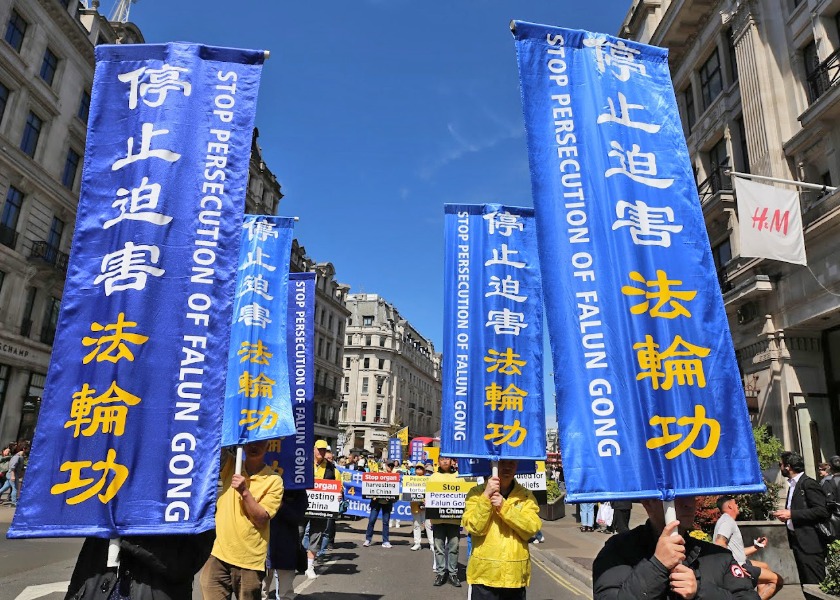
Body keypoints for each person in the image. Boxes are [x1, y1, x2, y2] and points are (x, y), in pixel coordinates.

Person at [593, 496, 760, 599]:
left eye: (691, 495)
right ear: (648, 503)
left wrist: (700, 591)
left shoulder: (718, 556)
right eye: (676, 497)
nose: (689, 504)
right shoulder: (619, 549)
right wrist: (657, 566)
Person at [200, 440, 284, 600]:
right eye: (250, 441)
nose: (254, 446)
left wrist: (244, 492)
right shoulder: (231, 465)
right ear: (243, 445)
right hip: (218, 555)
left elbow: (261, 519)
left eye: (260, 442)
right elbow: (214, 444)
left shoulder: (274, 480)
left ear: (267, 446)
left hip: (249, 562)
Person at [462, 459, 541, 599]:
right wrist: (486, 497)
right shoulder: (476, 493)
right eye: (503, 463)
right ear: (492, 464)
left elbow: (531, 528)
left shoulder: (526, 496)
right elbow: (475, 527)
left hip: (514, 577)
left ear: (517, 466)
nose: (507, 467)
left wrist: (504, 507)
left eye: (512, 463)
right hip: (485, 575)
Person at [65, 532, 215, 599]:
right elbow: (83, 570)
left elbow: (183, 564)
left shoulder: (192, 492)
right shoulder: (110, 488)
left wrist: (130, 532)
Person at [772, 450, 829, 585]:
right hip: (798, 542)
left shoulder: (808, 483)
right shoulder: (793, 484)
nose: (780, 468)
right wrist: (787, 516)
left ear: (788, 466)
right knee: (805, 583)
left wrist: (791, 514)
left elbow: (821, 511)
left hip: (811, 543)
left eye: (780, 464)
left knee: (815, 584)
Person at [714, 495, 783, 600]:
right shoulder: (727, 521)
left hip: (739, 562)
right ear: (730, 506)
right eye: (735, 503)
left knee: (764, 566)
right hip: (736, 566)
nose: (737, 506)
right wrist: (734, 566)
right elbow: (719, 543)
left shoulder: (726, 520)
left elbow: (738, 552)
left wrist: (756, 547)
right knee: (777, 580)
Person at [302, 440, 341, 579]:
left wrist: (339, 495)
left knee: (316, 535)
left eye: (324, 450)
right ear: (313, 449)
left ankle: (309, 566)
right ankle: (298, 561)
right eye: (319, 449)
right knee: (298, 533)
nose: (322, 452)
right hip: (302, 507)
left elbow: (339, 487)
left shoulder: (333, 469)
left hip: (321, 510)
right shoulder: (303, 464)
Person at [262, 488, 308, 600]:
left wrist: (281, 504)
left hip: (287, 546)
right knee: (261, 590)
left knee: (286, 593)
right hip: (264, 546)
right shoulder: (266, 485)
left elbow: (297, 516)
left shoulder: (298, 490)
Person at [429, 455, 461, 587]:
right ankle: (440, 573)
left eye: (447, 459)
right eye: (442, 459)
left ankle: (453, 574)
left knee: (454, 548)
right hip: (437, 519)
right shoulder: (433, 477)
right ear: (438, 462)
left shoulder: (459, 476)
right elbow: (428, 495)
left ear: (451, 461)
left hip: (454, 520)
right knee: (439, 548)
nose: (445, 461)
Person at [364, 461, 397, 548]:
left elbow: (396, 494)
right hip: (376, 502)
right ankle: (368, 539)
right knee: (372, 520)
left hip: (387, 503)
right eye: (389, 465)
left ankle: (385, 541)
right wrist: (373, 496)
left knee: (386, 522)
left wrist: (391, 498)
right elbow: (371, 487)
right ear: (385, 466)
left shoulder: (394, 477)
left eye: (392, 466)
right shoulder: (379, 474)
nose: (390, 467)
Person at [410, 462, 434, 552]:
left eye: (421, 468)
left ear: (424, 470)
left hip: (426, 505)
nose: (419, 470)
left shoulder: (428, 480)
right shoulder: (411, 480)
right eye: (417, 468)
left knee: (428, 525)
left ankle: (432, 544)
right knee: (416, 525)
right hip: (415, 505)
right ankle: (417, 543)